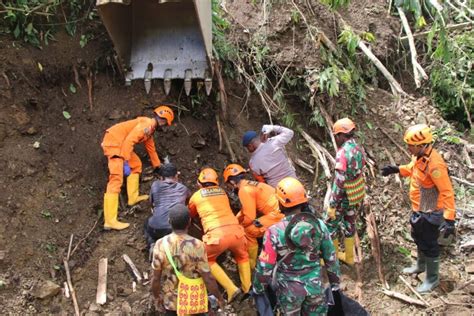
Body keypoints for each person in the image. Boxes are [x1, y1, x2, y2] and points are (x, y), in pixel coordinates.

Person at [381, 124, 455, 293]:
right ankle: (420, 265)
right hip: (420, 207)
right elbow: (412, 168)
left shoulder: (435, 165)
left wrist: (449, 219)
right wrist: (396, 169)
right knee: (418, 236)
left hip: (431, 211)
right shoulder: (420, 156)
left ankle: (432, 279)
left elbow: (447, 191)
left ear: (422, 145)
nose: (408, 148)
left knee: (429, 243)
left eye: (411, 145)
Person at [253, 177, 341, 315]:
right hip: (315, 287)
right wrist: (335, 282)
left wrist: (258, 288)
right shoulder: (318, 226)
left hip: (288, 292)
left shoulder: (274, 232)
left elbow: (265, 267)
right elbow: (331, 258)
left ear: (280, 202)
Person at [101, 105, 174, 230]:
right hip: (115, 143)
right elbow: (129, 141)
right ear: (162, 120)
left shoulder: (149, 129)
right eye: (166, 124)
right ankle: (110, 221)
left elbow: (151, 149)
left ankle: (133, 198)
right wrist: (124, 161)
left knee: (136, 165)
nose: (164, 127)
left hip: (120, 143)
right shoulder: (147, 125)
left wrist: (157, 166)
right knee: (116, 180)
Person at [188, 168, 250, 302]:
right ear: (216, 182)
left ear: (199, 183)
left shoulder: (196, 196)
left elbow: (190, 215)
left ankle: (231, 289)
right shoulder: (222, 192)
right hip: (236, 233)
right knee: (242, 256)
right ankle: (247, 288)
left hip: (216, 237)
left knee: (206, 259)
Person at [151, 204, 224, 315]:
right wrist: (219, 297)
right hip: (193, 301)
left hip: (172, 303)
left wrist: (157, 297)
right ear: (189, 222)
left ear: (169, 221)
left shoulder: (160, 244)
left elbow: (156, 278)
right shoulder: (197, 245)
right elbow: (208, 277)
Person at [223, 163, 284, 270]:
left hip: (277, 215)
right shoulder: (251, 185)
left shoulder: (244, 190)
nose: (228, 186)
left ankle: (251, 263)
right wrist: (235, 221)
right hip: (281, 211)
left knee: (248, 231)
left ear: (232, 181)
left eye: (228, 184)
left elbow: (250, 217)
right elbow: (245, 210)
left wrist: (240, 226)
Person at [326, 118, 366, 266]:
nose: (336, 139)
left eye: (336, 135)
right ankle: (349, 258)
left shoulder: (342, 153)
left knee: (330, 225)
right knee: (350, 222)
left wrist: (332, 204)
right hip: (354, 195)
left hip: (343, 197)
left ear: (342, 135)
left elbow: (339, 181)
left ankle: (333, 258)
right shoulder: (359, 148)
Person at [144, 163, 191, 250]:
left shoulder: (155, 185)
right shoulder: (183, 189)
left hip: (155, 228)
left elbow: (151, 204)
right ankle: (176, 246)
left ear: (161, 178)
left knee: (147, 223)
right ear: (176, 176)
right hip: (174, 229)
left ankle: (152, 243)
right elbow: (187, 203)